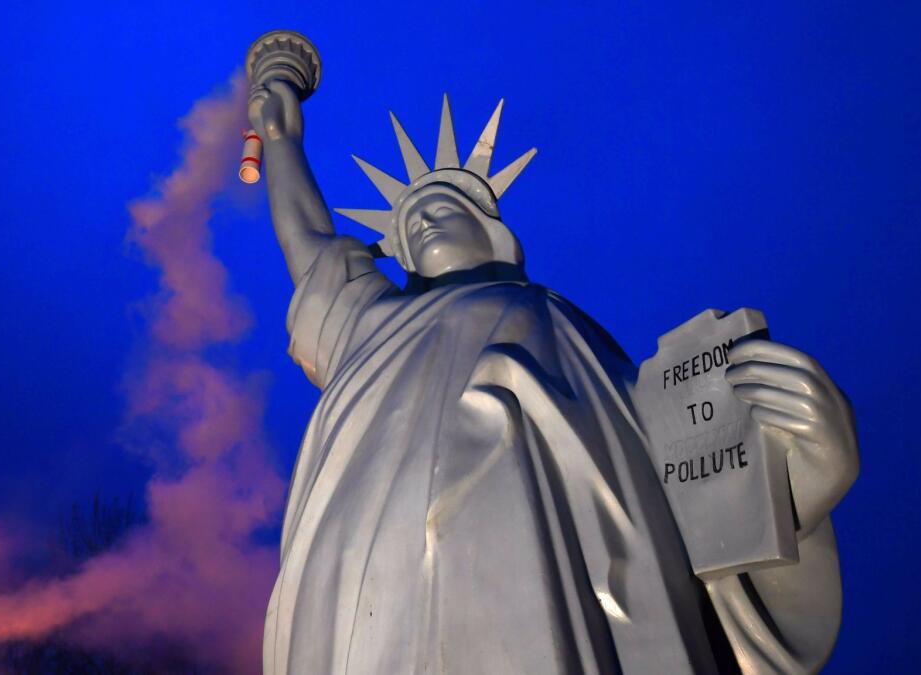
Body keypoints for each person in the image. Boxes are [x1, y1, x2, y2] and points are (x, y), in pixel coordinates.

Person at [249, 79, 859, 675]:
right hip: (365, 573)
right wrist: (280, 138)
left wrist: (797, 477)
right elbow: (307, 243)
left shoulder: (558, 324)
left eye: (438, 209)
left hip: (540, 573)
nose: (422, 226)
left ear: (489, 226)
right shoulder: (372, 321)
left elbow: (690, 488)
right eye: (408, 229)